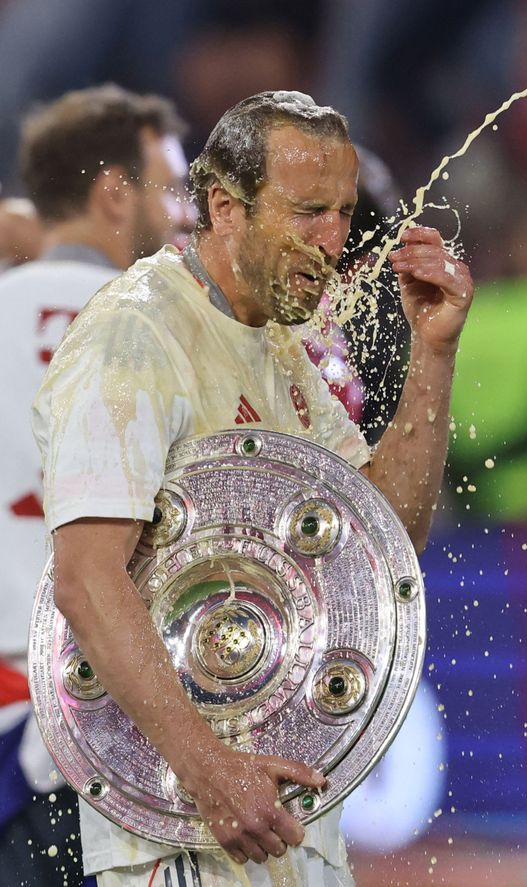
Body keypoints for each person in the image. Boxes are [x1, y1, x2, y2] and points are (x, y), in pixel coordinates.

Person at [33, 90, 474, 886]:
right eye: (307, 212)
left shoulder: (281, 346)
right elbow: (86, 579)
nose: (333, 240)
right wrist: (210, 771)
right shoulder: (137, 331)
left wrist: (432, 356)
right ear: (224, 208)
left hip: (279, 818)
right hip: (179, 829)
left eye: (343, 213)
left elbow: (383, 541)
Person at [0, 83, 193, 887]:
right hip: (136, 736)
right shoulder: (176, 327)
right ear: (115, 191)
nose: (185, 215)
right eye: (171, 189)